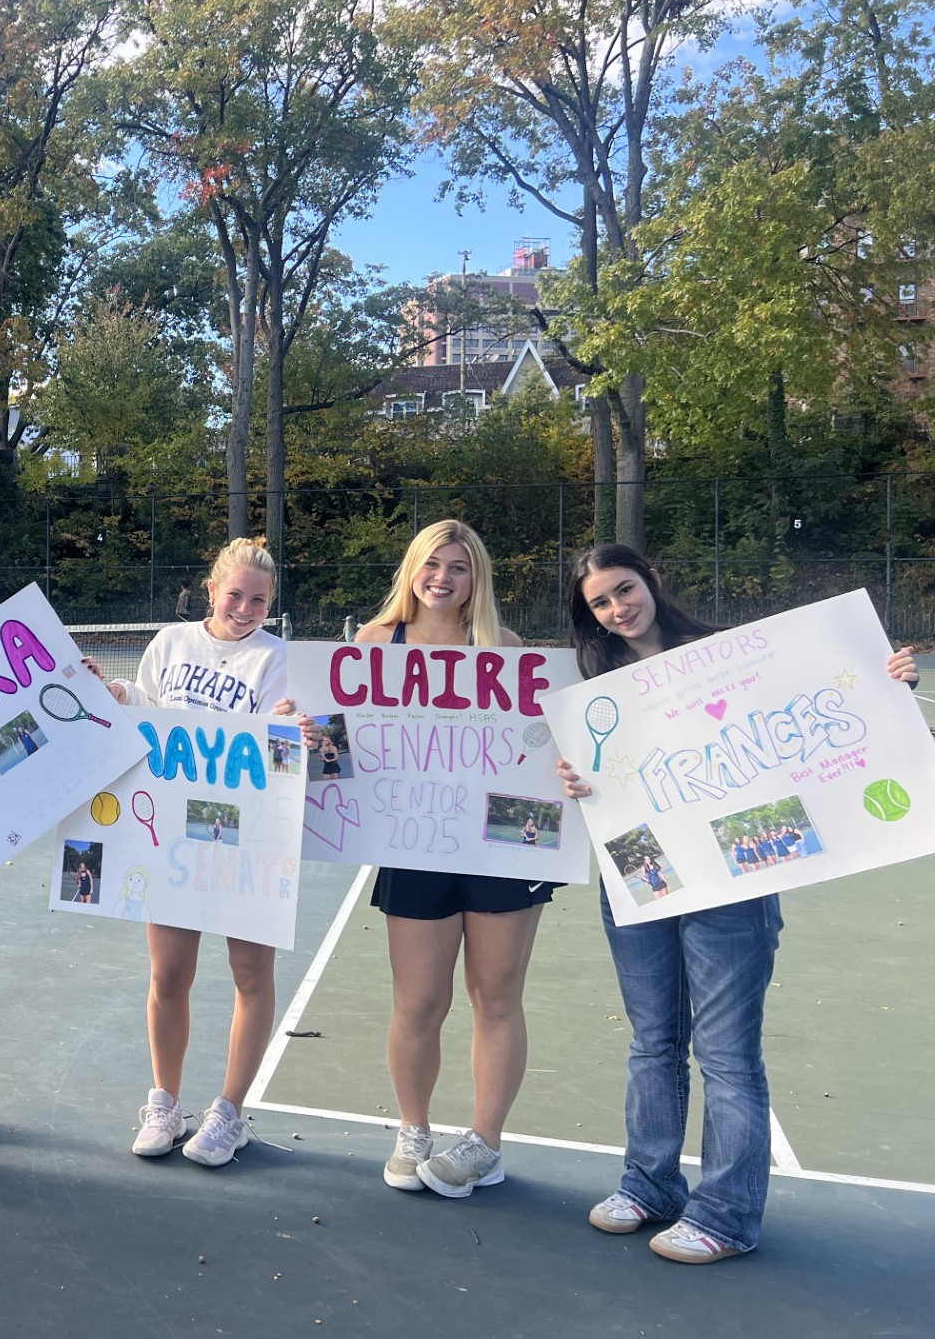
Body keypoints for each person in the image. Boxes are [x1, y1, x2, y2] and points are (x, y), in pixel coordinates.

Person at [558, 542, 917, 1263]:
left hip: (734, 871)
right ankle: (650, 1185)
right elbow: (598, 773)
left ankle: (725, 1215)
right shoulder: (594, 681)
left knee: (724, 1052)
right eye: (601, 602)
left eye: (625, 589)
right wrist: (577, 780)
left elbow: (821, 710)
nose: (617, 608)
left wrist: (889, 686)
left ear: (652, 579)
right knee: (653, 1040)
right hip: (640, 866)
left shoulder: (728, 655)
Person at [356, 519, 552, 1200]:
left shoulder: (504, 649)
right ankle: (413, 1131)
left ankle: (485, 1145)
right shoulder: (373, 645)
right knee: (418, 1001)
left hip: (500, 844)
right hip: (416, 840)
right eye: (432, 563)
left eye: (459, 568)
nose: (442, 577)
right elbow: (344, 744)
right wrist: (310, 730)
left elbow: (535, 750)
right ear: (412, 568)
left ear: (477, 582)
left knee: (495, 997)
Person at [103, 537, 303, 1167]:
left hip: (251, 837)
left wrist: (295, 731)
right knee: (169, 974)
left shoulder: (279, 657)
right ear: (212, 588)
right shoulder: (171, 642)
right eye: (235, 594)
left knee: (251, 976)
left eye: (259, 601)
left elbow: (285, 748)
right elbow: (147, 714)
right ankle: (164, 1101)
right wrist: (115, 694)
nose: (245, 609)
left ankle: (229, 1113)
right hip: (172, 834)